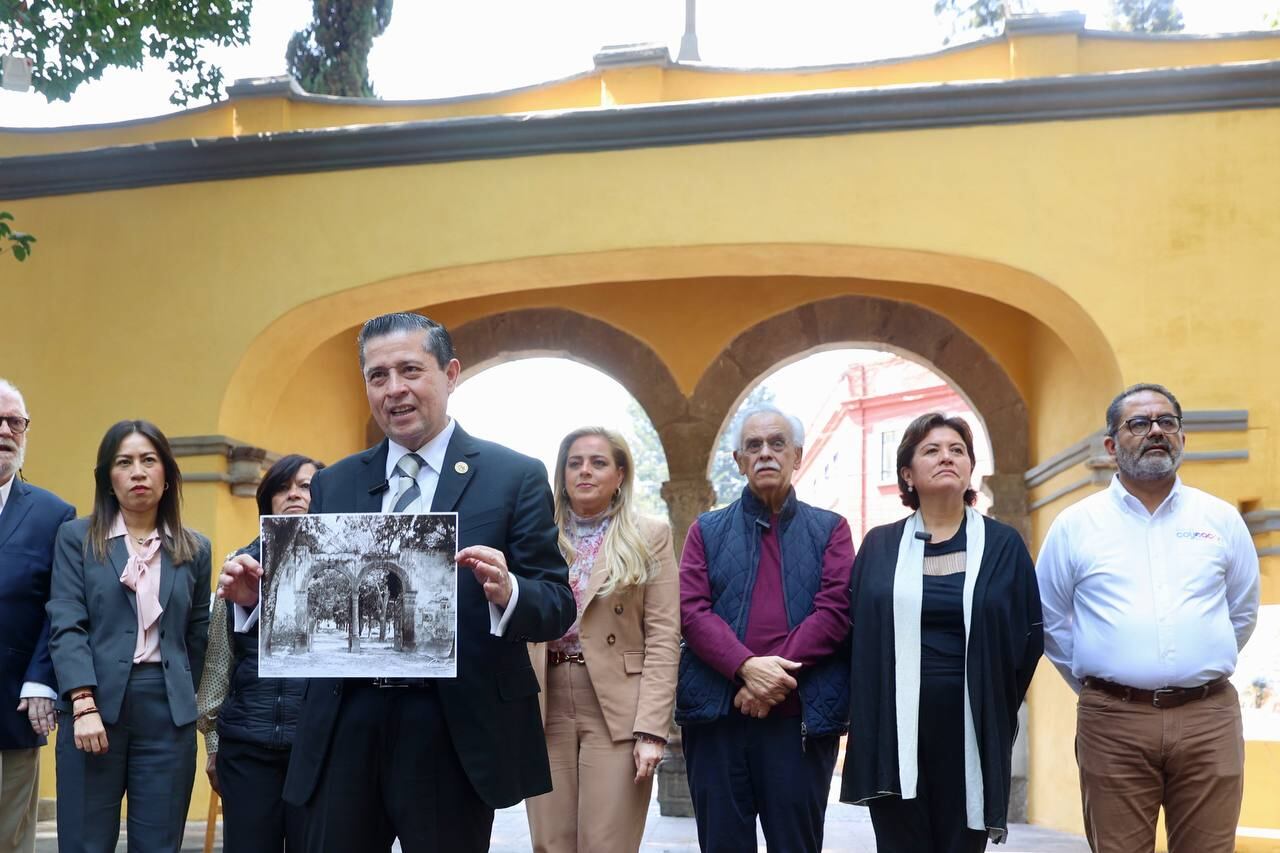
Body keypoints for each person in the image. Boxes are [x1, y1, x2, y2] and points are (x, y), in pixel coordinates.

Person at [218, 312, 576, 853]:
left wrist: (509, 592)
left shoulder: (513, 477)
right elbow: (318, 598)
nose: (394, 389)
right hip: (345, 720)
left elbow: (556, 602)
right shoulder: (337, 481)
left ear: (450, 373)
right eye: (377, 376)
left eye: (410, 370)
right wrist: (258, 600)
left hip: (452, 726)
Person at [1036, 383, 1260, 853]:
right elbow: (1050, 621)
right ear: (1112, 446)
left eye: (1167, 422)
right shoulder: (1076, 525)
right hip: (1113, 722)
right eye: (1139, 423)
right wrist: (1105, 683)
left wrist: (1195, 666)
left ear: (1182, 437)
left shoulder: (1219, 519)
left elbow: (1240, 610)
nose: (1156, 431)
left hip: (1208, 718)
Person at [839, 412, 1043, 852]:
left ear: (971, 467)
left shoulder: (1003, 544)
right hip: (893, 731)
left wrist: (996, 700)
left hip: (971, 727)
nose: (946, 457)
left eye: (957, 450)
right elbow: (852, 630)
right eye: (931, 450)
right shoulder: (879, 545)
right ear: (907, 473)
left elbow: (1030, 635)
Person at [676, 406, 854, 853]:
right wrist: (745, 667)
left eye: (777, 444)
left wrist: (768, 680)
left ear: (797, 455)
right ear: (738, 461)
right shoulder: (706, 530)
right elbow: (692, 611)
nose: (765, 454)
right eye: (753, 446)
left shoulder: (830, 529)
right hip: (718, 718)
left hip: (798, 722)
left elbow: (835, 611)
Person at [46, 420, 212, 853]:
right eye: (124, 462)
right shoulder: (76, 539)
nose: (138, 472)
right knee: (85, 843)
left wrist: (197, 707)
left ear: (167, 475)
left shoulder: (195, 548)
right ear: (107, 478)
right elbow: (67, 622)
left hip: (167, 714)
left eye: (149, 460)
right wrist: (81, 702)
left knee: (159, 844)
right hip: (94, 708)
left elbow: (198, 635)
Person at [524, 427, 679, 853]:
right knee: (550, 842)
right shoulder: (535, 535)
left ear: (620, 474)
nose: (585, 472)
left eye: (598, 462)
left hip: (617, 705)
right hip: (545, 698)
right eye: (574, 463)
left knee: (605, 844)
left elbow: (665, 637)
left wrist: (652, 729)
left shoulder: (649, 534)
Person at [196, 454, 323, 853]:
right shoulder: (240, 564)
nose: (294, 495)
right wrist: (214, 745)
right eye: (283, 488)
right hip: (248, 749)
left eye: (306, 486)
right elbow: (219, 662)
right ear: (267, 500)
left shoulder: (346, 564)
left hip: (318, 753)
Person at [0, 380, 74, 853]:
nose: (6, 431)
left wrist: (41, 680)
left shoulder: (53, 514)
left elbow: (61, 606)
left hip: (9, 707)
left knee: (7, 837)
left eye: (15, 422)